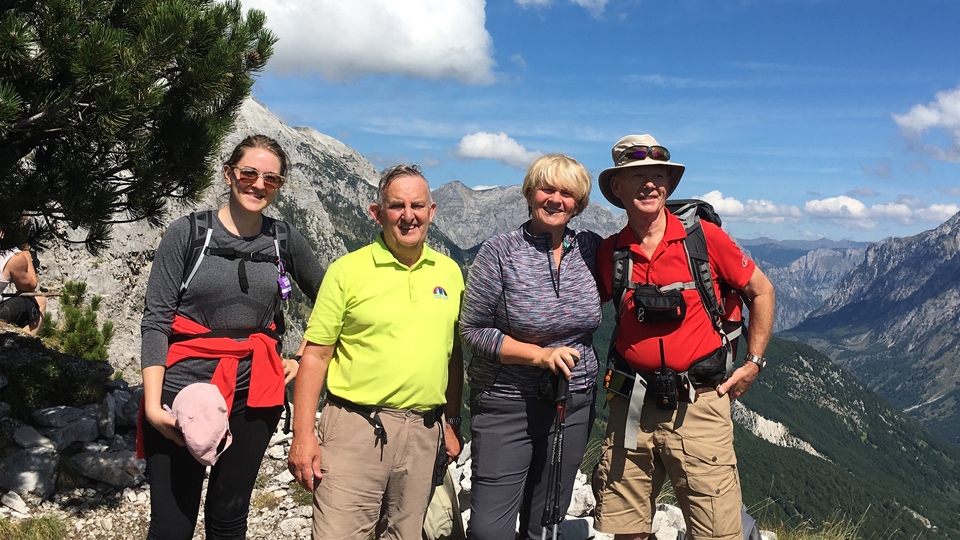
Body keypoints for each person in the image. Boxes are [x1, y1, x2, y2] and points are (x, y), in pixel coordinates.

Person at [139, 135, 324, 540]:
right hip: (181, 393)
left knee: (228, 516)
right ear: (229, 174)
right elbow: (156, 320)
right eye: (249, 173)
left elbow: (331, 300)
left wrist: (300, 354)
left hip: (254, 392)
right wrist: (153, 406)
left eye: (271, 179)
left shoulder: (283, 238)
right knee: (172, 526)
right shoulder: (187, 234)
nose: (258, 185)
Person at [591, 134, 775, 540]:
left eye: (657, 176)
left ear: (668, 186)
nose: (649, 184)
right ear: (617, 189)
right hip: (630, 405)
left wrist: (753, 363)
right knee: (624, 529)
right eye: (636, 176)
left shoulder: (704, 240)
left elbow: (761, 290)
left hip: (700, 403)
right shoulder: (610, 253)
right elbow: (574, 310)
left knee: (717, 532)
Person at [287, 164, 464, 540]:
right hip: (355, 427)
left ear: (432, 211)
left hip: (424, 431)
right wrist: (303, 435)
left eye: (418, 205)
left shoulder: (450, 273)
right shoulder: (347, 271)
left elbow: (452, 356)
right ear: (376, 213)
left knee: (405, 535)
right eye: (396, 205)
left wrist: (451, 422)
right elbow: (316, 356)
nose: (408, 215)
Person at [460, 154, 602, 539]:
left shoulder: (591, 249)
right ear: (529, 193)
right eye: (547, 189)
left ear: (580, 204)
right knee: (491, 529)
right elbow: (472, 330)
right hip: (506, 400)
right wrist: (538, 355)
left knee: (547, 522)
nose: (556, 199)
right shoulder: (499, 252)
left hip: (573, 401)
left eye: (568, 193)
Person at [0, 236, 45, 335]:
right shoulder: (12, 256)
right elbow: (29, 286)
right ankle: (24, 342)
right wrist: (25, 252)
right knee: (38, 299)